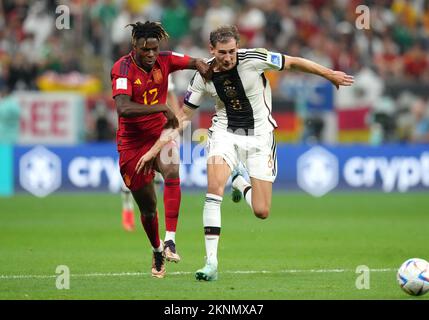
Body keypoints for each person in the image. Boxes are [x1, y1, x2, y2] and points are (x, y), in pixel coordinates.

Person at [135, 25, 354, 281]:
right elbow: (183, 117)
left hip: (260, 137)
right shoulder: (203, 74)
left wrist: (330, 75)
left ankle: (239, 181)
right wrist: (155, 150)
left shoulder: (255, 58)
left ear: (237, 48)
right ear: (212, 50)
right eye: (222, 53)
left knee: (262, 211)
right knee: (214, 187)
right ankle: (211, 263)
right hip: (224, 132)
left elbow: (293, 62)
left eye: (231, 51)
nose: (227, 57)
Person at [111, 21, 209, 279]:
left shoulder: (165, 60)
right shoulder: (122, 69)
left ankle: (170, 240)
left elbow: (195, 61)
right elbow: (123, 108)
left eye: (155, 49)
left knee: (173, 169)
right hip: (131, 144)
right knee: (148, 208)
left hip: (160, 134)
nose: (152, 54)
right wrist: (162, 107)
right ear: (135, 46)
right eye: (146, 50)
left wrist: (206, 68)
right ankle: (156, 249)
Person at [121, 75, 179, 232]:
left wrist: (176, 125)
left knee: (161, 174)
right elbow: (124, 104)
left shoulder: (163, 70)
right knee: (135, 170)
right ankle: (127, 206)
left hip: (161, 129)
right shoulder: (129, 73)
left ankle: (153, 205)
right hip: (137, 131)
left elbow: (171, 95)